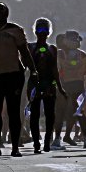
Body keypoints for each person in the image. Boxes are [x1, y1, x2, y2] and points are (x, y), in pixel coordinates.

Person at [0, 2, 35, 157]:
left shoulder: (15, 30)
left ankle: (15, 147)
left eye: (3, 12)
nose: (0, 15)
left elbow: (24, 52)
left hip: (13, 74)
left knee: (13, 111)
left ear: (6, 14)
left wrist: (34, 71)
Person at [27, 18, 66, 153]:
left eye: (45, 29)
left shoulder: (52, 49)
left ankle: (47, 141)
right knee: (35, 114)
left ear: (49, 32)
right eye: (39, 29)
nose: (42, 32)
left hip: (50, 83)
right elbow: (25, 65)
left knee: (50, 114)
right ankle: (36, 142)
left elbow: (55, 69)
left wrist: (59, 87)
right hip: (34, 84)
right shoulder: (30, 47)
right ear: (35, 31)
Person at [55, 30, 86, 148]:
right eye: (72, 40)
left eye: (76, 40)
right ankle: (57, 138)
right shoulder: (60, 53)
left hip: (78, 87)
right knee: (61, 112)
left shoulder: (83, 55)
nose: (75, 42)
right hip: (64, 86)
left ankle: (85, 138)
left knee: (78, 112)